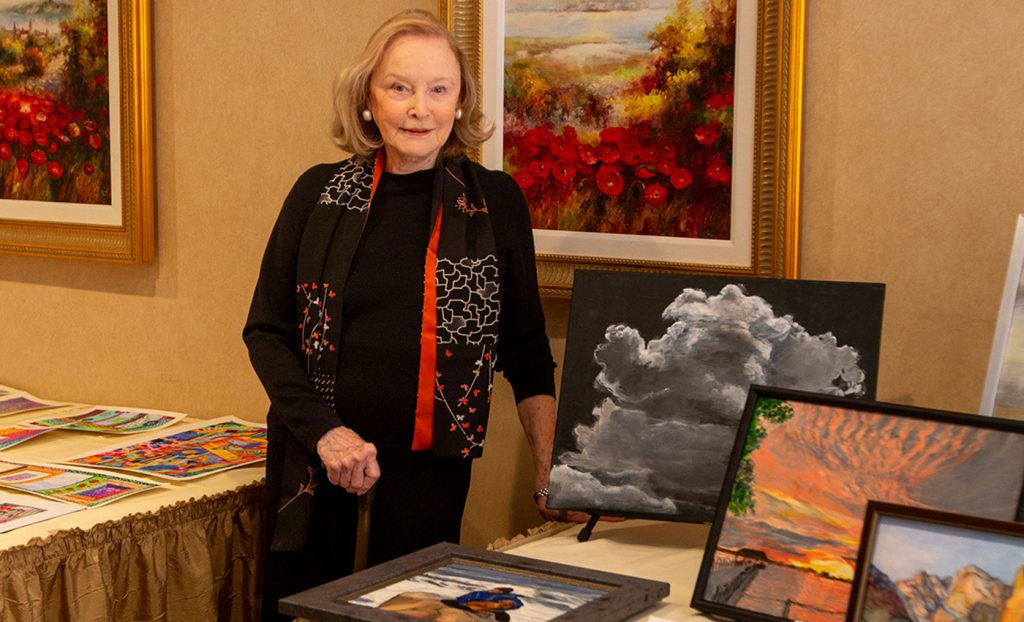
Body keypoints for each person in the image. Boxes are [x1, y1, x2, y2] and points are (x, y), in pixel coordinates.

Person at [242, 9, 586, 621]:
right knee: (300, 613)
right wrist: (328, 434)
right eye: (399, 87)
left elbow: (528, 355)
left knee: (416, 615)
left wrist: (549, 473)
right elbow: (267, 331)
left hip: (431, 471)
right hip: (315, 459)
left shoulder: (495, 202)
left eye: (438, 89)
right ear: (369, 100)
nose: (418, 107)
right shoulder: (317, 193)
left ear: (458, 104)